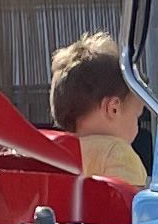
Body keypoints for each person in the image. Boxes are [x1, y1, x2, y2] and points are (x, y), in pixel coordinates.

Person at [50, 30, 149, 188]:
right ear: (113, 109)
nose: (137, 128)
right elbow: (130, 208)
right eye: (137, 117)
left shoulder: (56, 152)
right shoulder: (118, 153)